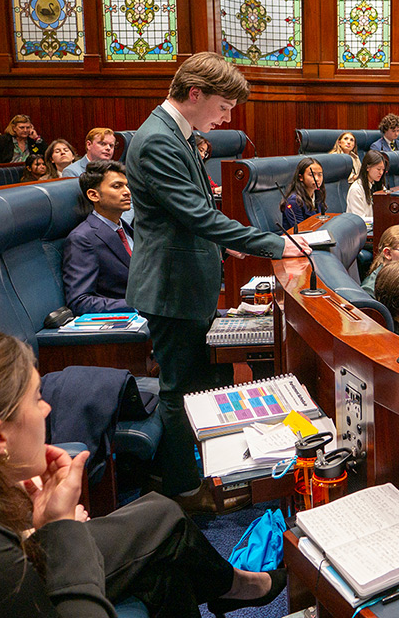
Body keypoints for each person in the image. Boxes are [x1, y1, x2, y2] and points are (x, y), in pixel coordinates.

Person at [0, 328, 286, 618]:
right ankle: (240, 587)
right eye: (36, 399)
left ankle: (236, 586)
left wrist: (36, 527)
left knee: (163, 544)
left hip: (34, 551)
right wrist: (62, 530)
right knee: (164, 539)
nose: (47, 409)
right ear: (0, 438)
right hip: (44, 570)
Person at [124, 51, 310, 512]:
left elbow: (184, 218)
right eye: (223, 108)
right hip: (172, 288)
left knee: (193, 382)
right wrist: (271, 244)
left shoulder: (177, 134)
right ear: (195, 94)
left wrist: (225, 245)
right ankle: (184, 490)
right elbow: (196, 215)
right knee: (177, 390)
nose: (226, 119)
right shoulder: (158, 141)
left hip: (188, 279)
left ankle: (201, 471)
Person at [62, 160, 134, 315]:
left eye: (126, 185)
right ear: (94, 195)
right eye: (117, 186)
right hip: (127, 322)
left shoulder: (127, 228)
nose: (127, 191)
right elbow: (80, 301)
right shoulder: (82, 238)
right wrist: (139, 305)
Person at [282, 157, 326, 229]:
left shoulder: (318, 194)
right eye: (312, 175)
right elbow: (301, 230)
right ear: (301, 177)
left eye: (320, 174)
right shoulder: (294, 201)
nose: (317, 179)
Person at [347, 149, 387, 218]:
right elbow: (360, 219)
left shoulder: (380, 186)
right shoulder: (356, 189)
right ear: (368, 167)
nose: (381, 173)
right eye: (378, 169)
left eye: (383, 170)